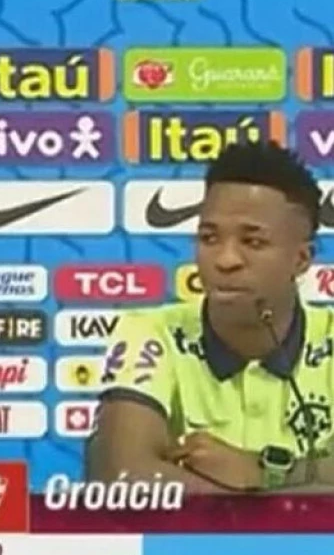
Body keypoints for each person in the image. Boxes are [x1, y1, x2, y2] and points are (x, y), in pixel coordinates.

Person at [86, 141, 334, 493]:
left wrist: (262, 471)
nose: (225, 260)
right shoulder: (152, 331)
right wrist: (286, 497)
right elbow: (122, 475)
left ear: (301, 260)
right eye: (209, 238)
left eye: (253, 242)